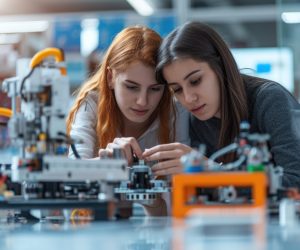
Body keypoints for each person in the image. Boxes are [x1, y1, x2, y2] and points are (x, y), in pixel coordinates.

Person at [143, 21, 300, 188]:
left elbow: (295, 181)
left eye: (195, 81)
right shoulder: (194, 119)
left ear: (220, 67)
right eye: (177, 90)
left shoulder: (270, 100)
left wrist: (212, 172)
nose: (188, 98)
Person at [66, 26, 190, 215]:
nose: (143, 101)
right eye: (131, 87)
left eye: (155, 89)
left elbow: (177, 211)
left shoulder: (176, 110)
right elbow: (71, 174)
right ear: (110, 78)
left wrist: (149, 197)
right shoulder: (91, 104)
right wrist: (108, 164)